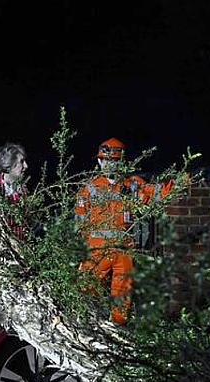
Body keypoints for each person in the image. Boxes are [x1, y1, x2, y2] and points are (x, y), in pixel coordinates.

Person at [74, 137, 177, 324]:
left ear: (121, 161)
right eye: (105, 160)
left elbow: (156, 193)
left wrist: (176, 184)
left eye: (113, 160)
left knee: (122, 296)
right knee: (85, 291)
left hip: (124, 249)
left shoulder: (133, 184)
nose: (108, 164)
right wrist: (82, 248)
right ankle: (87, 326)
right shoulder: (89, 189)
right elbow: (80, 222)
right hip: (97, 250)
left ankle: (117, 330)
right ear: (99, 161)